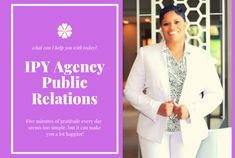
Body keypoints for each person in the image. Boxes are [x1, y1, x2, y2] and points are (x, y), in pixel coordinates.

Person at [124, 5, 223, 158]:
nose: (172, 27)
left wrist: (191, 111)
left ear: (185, 24)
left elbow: (216, 93)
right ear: (161, 28)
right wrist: (156, 107)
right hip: (153, 130)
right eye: (166, 23)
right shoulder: (146, 54)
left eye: (177, 22)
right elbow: (130, 90)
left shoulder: (201, 56)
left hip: (189, 130)